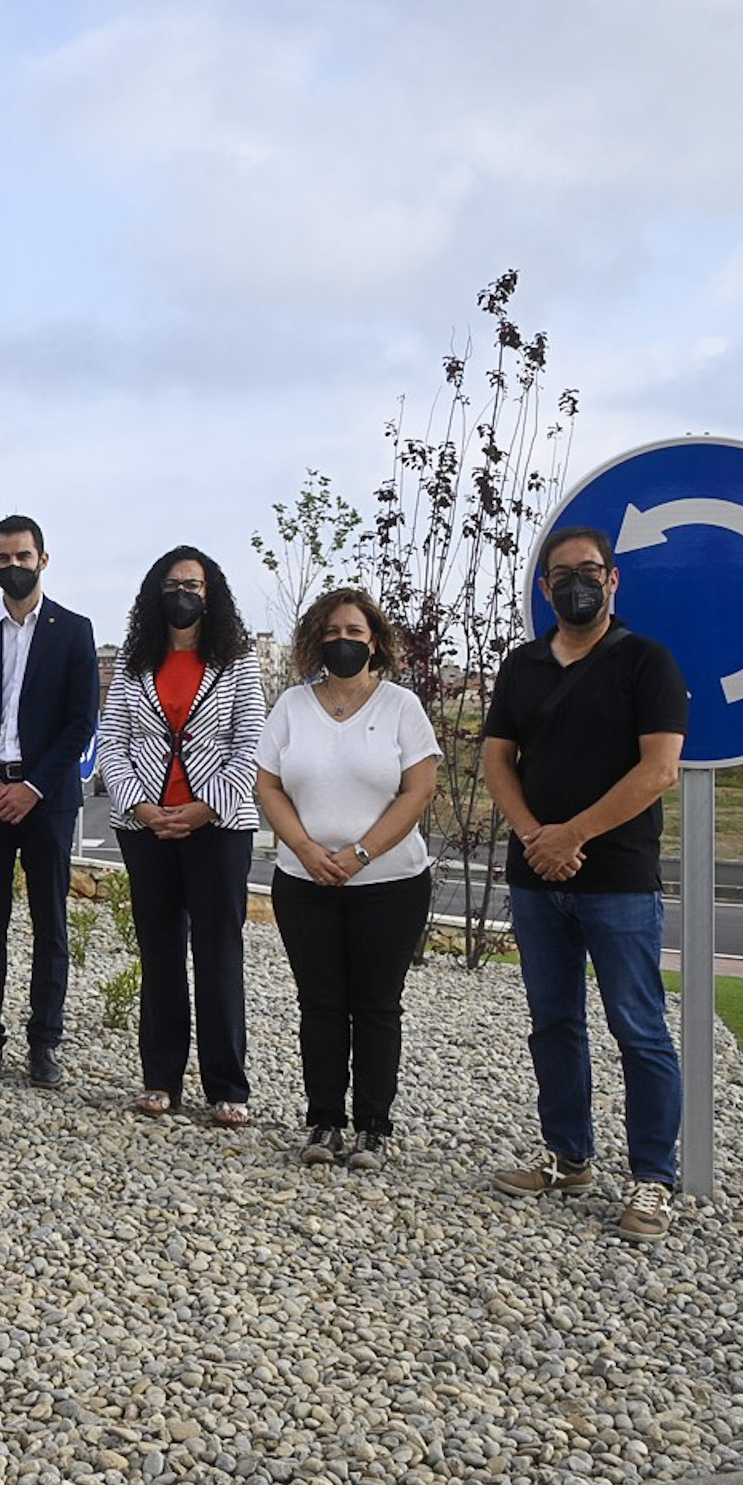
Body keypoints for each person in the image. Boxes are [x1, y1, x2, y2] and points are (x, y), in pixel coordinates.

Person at [482, 525, 688, 1244]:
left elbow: (658, 769)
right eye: (562, 573)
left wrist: (574, 835)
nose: (577, 582)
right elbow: (497, 760)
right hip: (537, 880)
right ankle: (569, 1156)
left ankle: (653, 1179)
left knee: (639, 1027)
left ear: (613, 578)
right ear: (544, 588)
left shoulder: (646, 663)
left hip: (619, 881)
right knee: (553, 1023)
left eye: (589, 570)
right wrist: (537, 834)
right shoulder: (522, 666)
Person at [255, 588, 440, 1171]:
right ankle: (324, 1121)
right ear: (315, 639)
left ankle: (373, 1128)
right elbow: (269, 787)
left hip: (390, 883)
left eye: (355, 632)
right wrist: (306, 848)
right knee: (321, 1004)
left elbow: (419, 789)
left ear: (375, 640)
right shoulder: (289, 706)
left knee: (378, 1005)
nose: (344, 641)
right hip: (304, 880)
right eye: (333, 631)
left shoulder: (402, 708)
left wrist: (361, 853)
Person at [96, 545, 265, 1126]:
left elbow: (251, 749)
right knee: (160, 951)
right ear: (154, 594)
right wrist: (142, 807)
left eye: (193, 585)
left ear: (210, 594)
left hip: (216, 828)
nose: (183, 595)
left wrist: (203, 809)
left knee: (218, 952)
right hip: (145, 828)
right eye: (172, 585)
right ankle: (160, 1078)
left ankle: (227, 1088)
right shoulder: (134, 663)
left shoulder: (238, 663)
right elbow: (111, 743)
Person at [0, 515, 99, 1090]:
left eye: (23, 556)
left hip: (46, 799)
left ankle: (44, 1043)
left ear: (43, 559)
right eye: (3, 558)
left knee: (49, 923)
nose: (14, 566)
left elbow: (80, 722)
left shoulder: (74, 631)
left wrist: (31, 787)